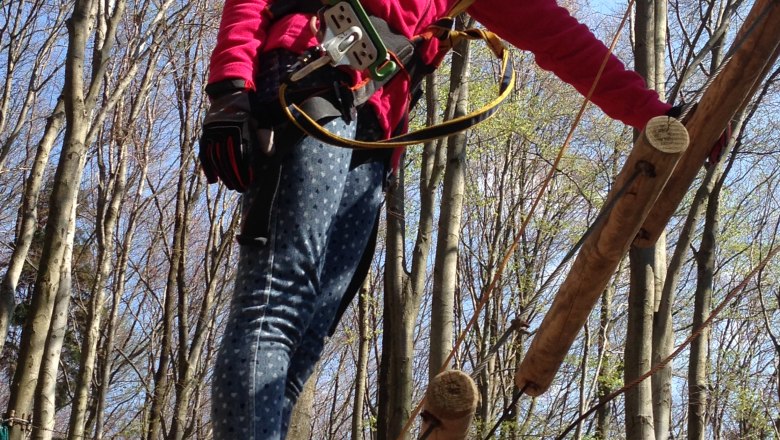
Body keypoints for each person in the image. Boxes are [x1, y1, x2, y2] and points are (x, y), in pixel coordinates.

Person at [198, 0, 673, 438]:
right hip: (309, 74)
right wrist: (229, 88)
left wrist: (659, 115)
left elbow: (563, 42)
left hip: (375, 139)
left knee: (304, 342)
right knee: (276, 305)